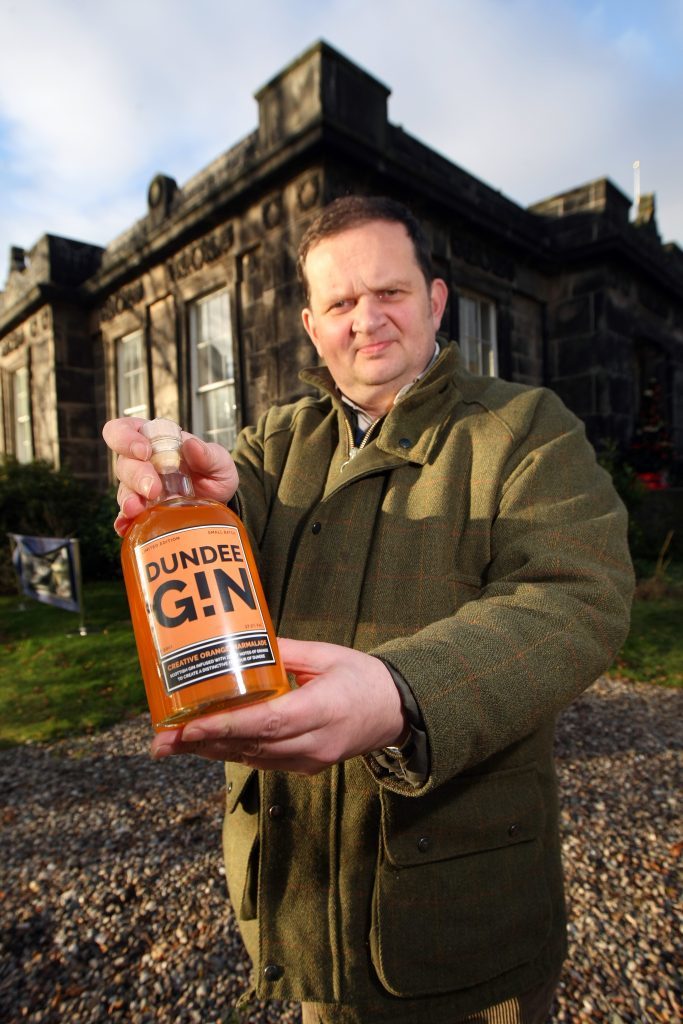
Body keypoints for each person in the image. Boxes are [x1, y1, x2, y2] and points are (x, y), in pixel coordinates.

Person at [104, 196, 634, 1024]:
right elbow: (217, 583)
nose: (367, 321)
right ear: (312, 327)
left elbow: (576, 597)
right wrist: (186, 504)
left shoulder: (526, 430)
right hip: (299, 902)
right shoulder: (268, 447)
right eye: (342, 304)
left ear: (433, 301)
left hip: (463, 925)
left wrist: (401, 694)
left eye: (389, 293)